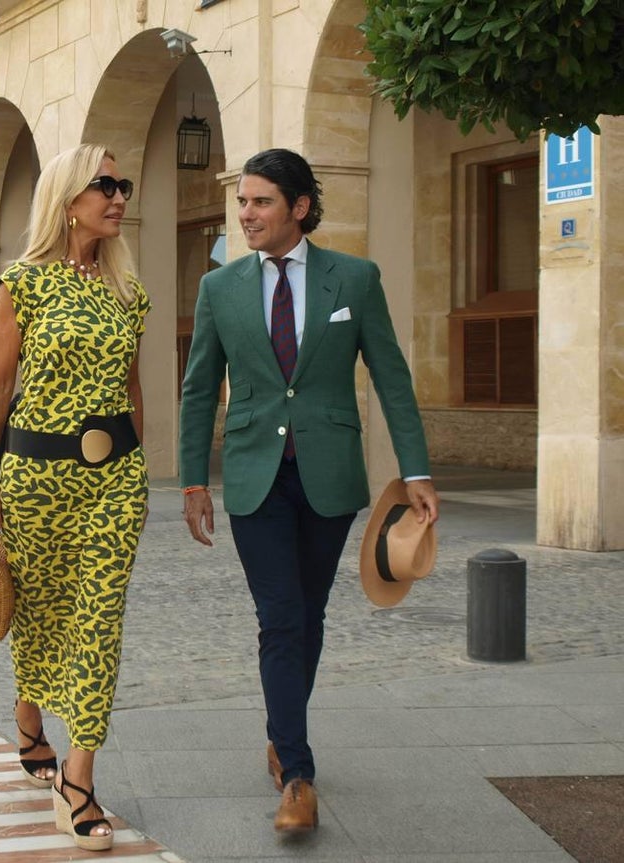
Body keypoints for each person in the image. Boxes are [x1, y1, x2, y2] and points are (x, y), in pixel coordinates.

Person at [178, 148, 440, 834]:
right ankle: (297, 772)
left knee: (311, 614)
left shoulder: (353, 278)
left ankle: (280, 730)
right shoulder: (221, 288)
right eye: (242, 202)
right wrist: (191, 481)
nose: (247, 214)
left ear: (299, 207)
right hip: (252, 477)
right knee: (281, 615)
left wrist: (416, 470)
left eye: (261, 201)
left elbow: (391, 374)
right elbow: (200, 387)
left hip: (328, 475)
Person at [0, 144, 149, 853]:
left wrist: (144, 465)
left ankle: (78, 781)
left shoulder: (129, 289)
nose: (117, 196)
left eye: (122, 184)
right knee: (42, 611)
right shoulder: (25, 282)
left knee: (98, 619)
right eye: (103, 184)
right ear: (68, 198)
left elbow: (136, 388)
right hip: (35, 478)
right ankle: (27, 721)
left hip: (114, 480)